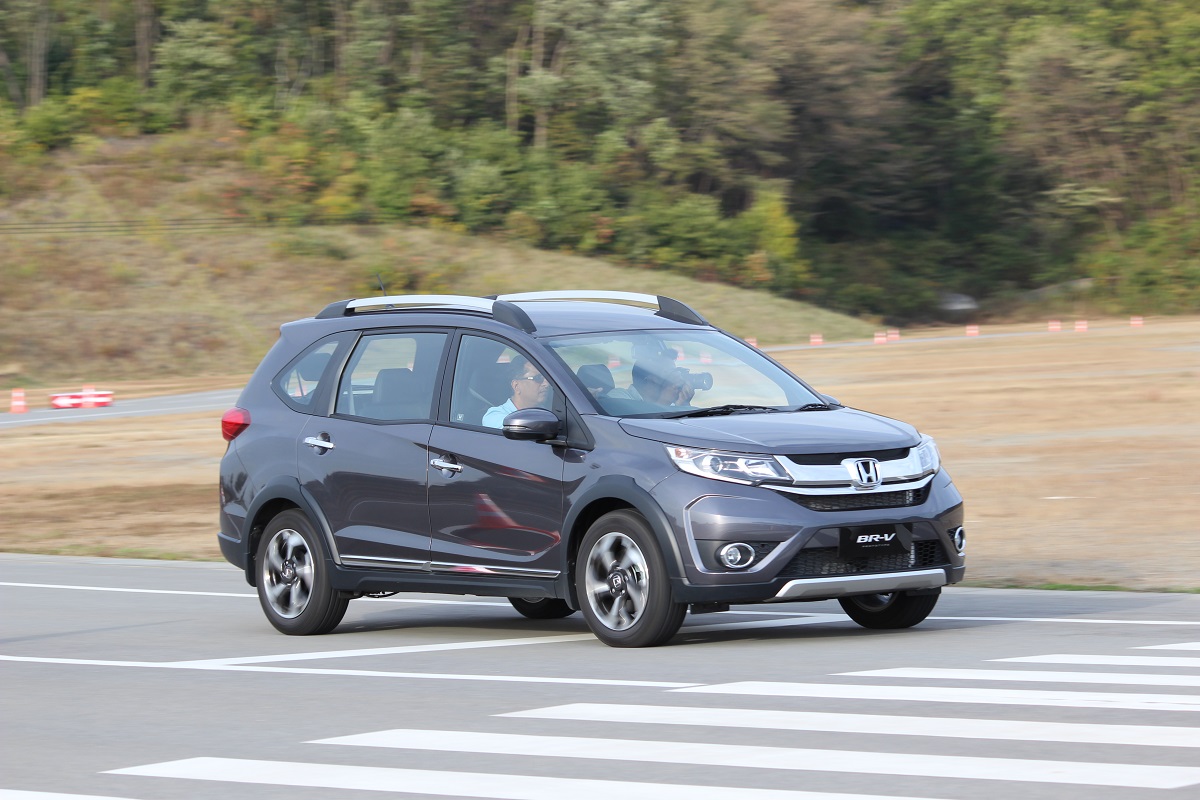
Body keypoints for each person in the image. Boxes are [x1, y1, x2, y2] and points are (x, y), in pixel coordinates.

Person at [482, 355, 550, 428]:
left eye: (547, 378)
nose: (546, 384)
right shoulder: (495, 417)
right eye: (538, 378)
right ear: (516, 386)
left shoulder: (549, 414)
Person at [623, 355, 695, 407]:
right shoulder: (620, 398)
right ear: (651, 379)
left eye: (675, 371)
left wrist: (683, 403)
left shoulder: (671, 404)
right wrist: (664, 401)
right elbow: (641, 422)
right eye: (669, 372)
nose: (675, 377)